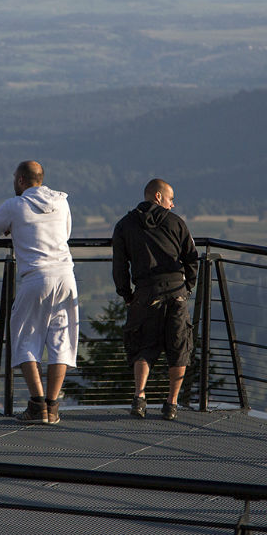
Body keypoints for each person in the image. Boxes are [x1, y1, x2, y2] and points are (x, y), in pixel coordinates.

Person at [0, 160, 79, 425]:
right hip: (66, 277)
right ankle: (52, 407)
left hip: (35, 278)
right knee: (61, 342)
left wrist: (12, 227)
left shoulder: (14, 205)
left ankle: (37, 405)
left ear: (21, 180)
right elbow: (65, 234)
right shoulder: (62, 202)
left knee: (25, 340)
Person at [111, 178, 198, 420]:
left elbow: (120, 265)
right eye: (171, 199)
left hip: (145, 293)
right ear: (158, 197)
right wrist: (187, 287)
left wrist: (126, 294)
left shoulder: (124, 225)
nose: (172, 204)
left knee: (143, 346)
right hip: (176, 291)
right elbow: (192, 257)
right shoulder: (176, 222)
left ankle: (139, 397)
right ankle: (171, 404)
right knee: (179, 347)